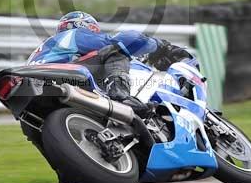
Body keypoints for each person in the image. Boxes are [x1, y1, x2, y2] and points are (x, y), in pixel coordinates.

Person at [27, 11, 192, 117]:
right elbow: (125, 40)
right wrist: (162, 46)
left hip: (32, 92)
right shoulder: (75, 34)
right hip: (61, 76)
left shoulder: (48, 47)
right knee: (115, 50)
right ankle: (121, 99)